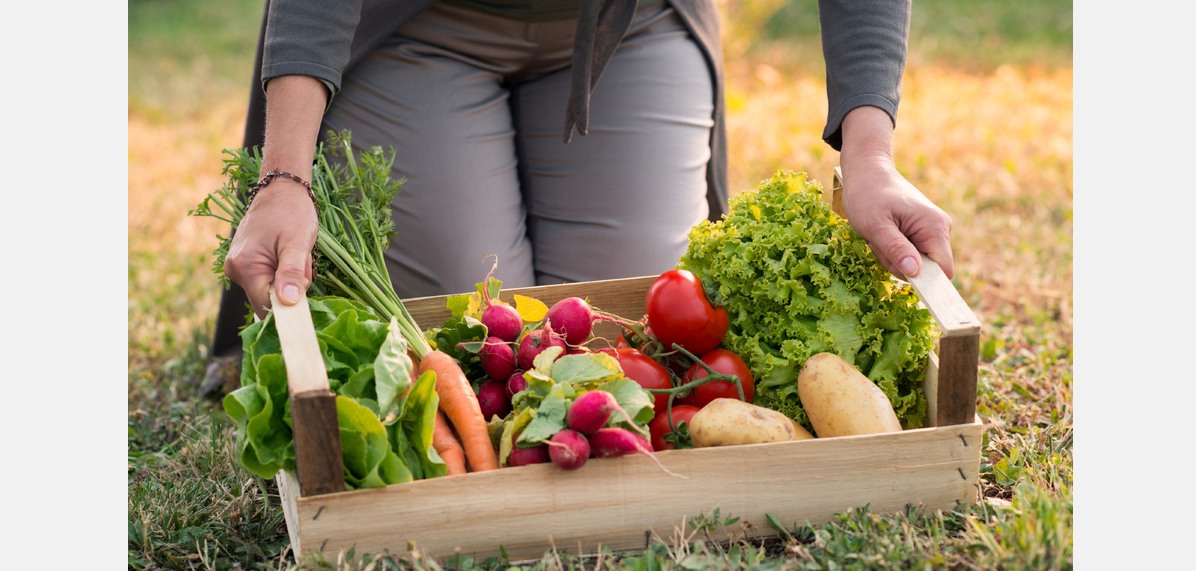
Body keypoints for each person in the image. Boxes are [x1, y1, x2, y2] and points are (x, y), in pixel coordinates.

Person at [200, 0, 954, 396]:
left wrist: (869, 155)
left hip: (628, 27)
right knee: (470, 328)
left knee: (624, 337)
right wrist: (285, 176)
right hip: (414, 27)